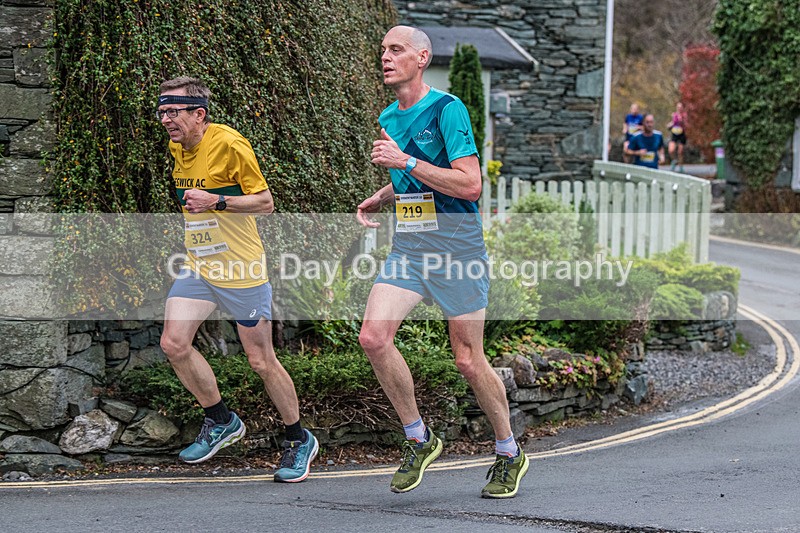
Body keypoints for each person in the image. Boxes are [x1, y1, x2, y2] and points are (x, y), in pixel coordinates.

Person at [356, 26, 528, 499]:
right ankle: (418, 437)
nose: (386, 58)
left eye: (396, 50)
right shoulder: (389, 115)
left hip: (458, 251)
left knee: (469, 361)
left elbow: (468, 184)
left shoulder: (448, 110)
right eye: (383, 51)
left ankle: (509, 451)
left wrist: (403, 164)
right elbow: (416, 179)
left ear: (422, 57)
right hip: (410, 250)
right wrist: (384, 195)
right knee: (373, 336)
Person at [156, 77, 317, 482]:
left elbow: (266, 203)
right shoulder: (177, 146)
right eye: (162, 112)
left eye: (173, 112)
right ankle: (221, 419)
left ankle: (299, 439)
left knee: (261, 360)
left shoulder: (230, 144)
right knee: (174, 343)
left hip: (240, 268)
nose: (166, 120)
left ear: (200, 115)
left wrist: (218, 201)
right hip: (199, 264)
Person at [667, 102, 688, 172]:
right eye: (678, 107)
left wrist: (682, 120)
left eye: (680, 107)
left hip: (681, 134)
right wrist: (669, 125)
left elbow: (686, 124)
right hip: (674, 133)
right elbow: (672, 123)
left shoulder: (684, 115)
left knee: (680, 151)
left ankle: (681, 167)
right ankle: (674, 160)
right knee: (671, 150)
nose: (679, 108)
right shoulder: (674, 114)